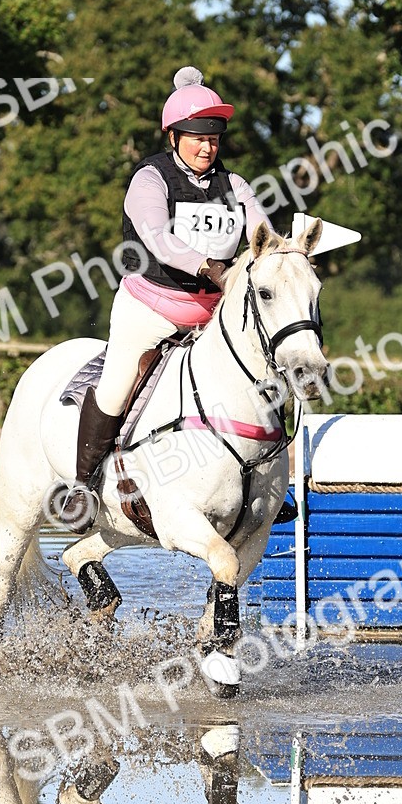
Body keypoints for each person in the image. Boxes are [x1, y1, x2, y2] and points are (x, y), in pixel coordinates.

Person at [62, 65, 274, 531]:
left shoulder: (234, 185)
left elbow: (261, 230)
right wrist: (208, 266)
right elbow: (158, 238)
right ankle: (80, 487)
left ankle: (263, 486)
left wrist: (283, 250)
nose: (207, 146)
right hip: (151, 308)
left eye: (214, 138)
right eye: (197, 137)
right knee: (118, 384)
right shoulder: (149, 180)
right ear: (174, 136)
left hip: (211, 315)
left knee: (258, 382)